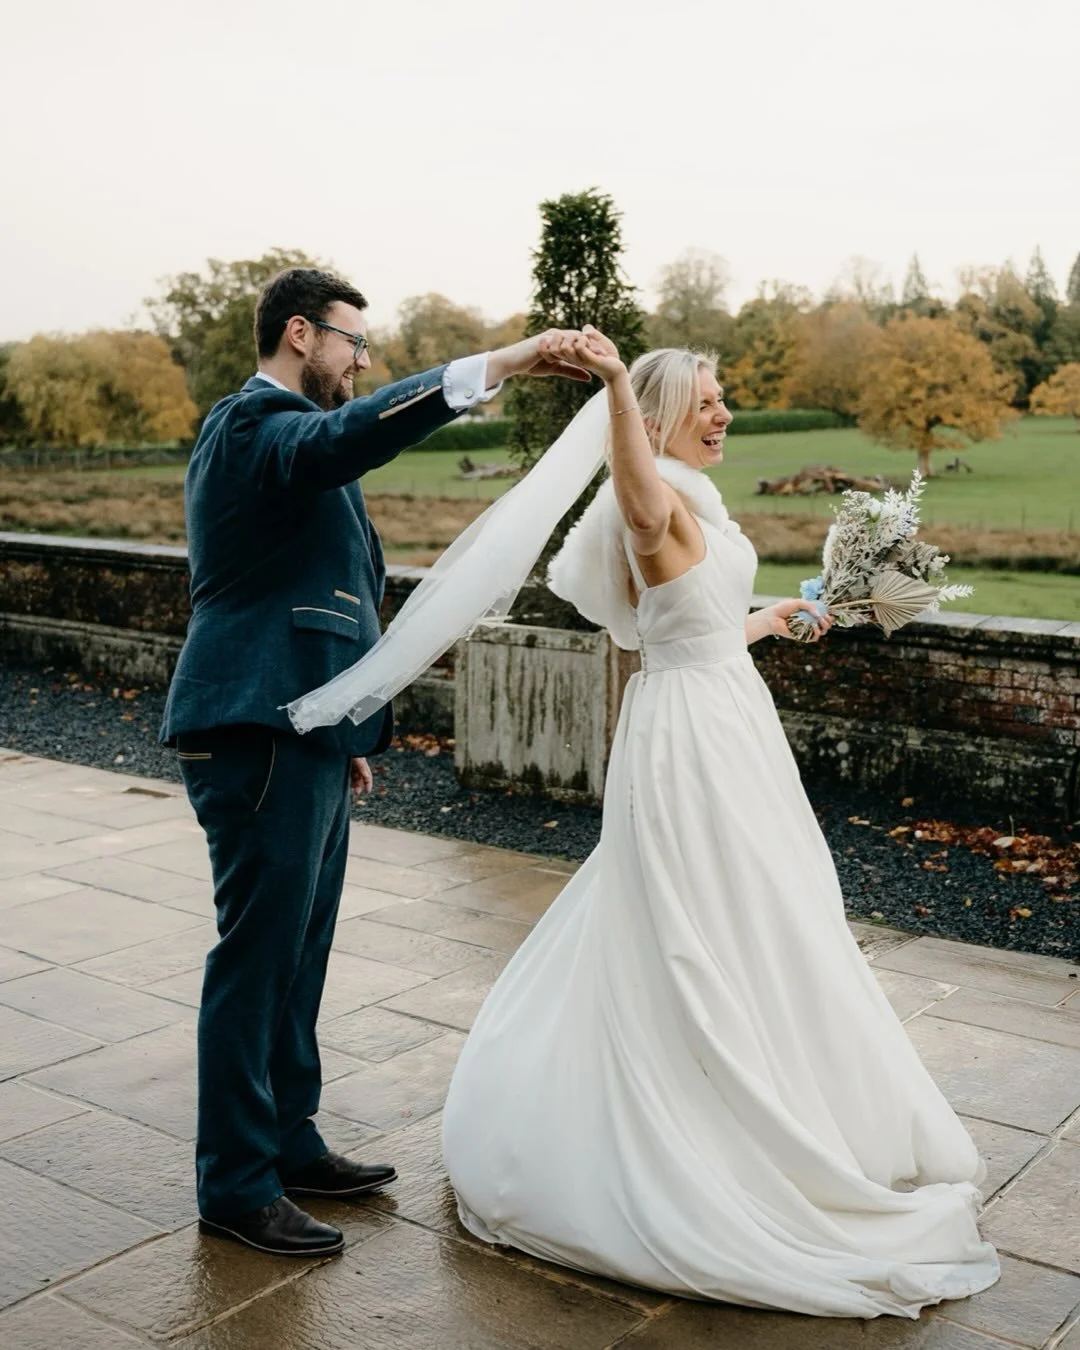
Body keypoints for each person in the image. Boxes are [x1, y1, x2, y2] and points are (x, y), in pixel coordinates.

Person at [439, 329, 1001, 1317]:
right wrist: (617, 382)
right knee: (692, 915)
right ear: (656, 421)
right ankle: (707, 1126)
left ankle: (792, 1091)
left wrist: (771, 618)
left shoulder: (693, 501)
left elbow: (690, 624)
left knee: (761, 909)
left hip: (727, 713)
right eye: (706, 400)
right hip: (687, 739)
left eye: (722, 397)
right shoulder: (649, 500)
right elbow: (641, 517)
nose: (725, 412)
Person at [159, 266, 588, 1257]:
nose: (360, 360)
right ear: (300, 334)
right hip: (257, 725)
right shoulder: (252, 425)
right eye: (354, 341)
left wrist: (349, 731)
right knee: (257, 960)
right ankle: (235, 1184)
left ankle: (288, 1140)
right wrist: (506, 362)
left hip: (308, 731)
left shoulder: (292, 441)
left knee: (300, 954)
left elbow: (331, 590)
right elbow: (343, 438)